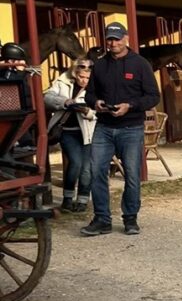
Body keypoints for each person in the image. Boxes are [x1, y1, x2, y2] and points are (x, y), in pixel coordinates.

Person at [82, 22, 160, 236]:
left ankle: (130, 218)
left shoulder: (140, 64)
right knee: (97, 171)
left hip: (131, 127)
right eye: (109, 39)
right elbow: (89, 94)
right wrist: (95, 102)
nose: (112, 43)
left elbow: (153, 96)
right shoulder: (98, 65)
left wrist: (130, 106)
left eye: (116, 38)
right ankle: (101, 219)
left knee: (132, 175)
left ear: (126, 39)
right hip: (104, 126)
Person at [44, 59, 96, 213]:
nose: (84, 80)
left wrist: (88, 112)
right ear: (75, 74)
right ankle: (67, 198)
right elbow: (47, 98)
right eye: (81, 76)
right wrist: (64, 102)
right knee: (75, 163)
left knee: (87, 168)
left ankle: (83, 200)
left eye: (87, 78)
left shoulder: (96, 87)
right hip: (67, 130)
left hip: (88, 131)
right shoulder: (63, 82)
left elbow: (101, 110)